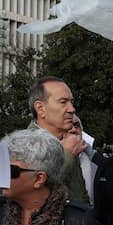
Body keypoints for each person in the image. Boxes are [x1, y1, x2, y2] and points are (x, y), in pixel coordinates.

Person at [28, 76, 91, 204]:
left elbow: (80, 195)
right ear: (40, 109)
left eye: (71, 102)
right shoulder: (24, 146)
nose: (72, 109)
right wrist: (66, 155)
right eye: (63, 102)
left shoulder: (68, 141)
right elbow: (33, 195)